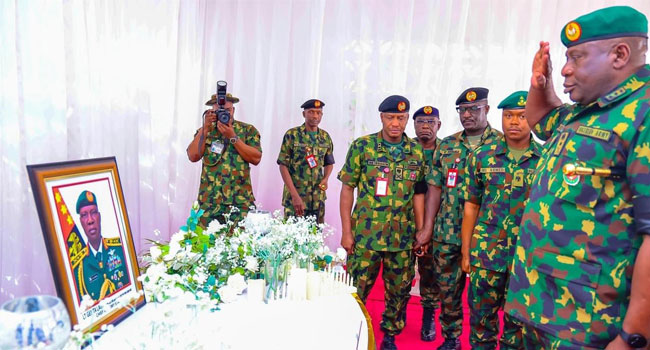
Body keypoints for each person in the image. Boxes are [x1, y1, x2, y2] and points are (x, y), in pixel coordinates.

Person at [504, 6, 650, 350]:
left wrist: (634, 339)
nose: (567, 68)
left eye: (577, 57)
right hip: (547, 312)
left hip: (591, 328)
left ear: (619, 54)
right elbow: (541, 119)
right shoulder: (591, 111)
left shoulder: (642, 114)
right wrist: (541, 81)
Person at [414, 87, 503, 350]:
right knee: (448, 292)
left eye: (474, 109)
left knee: (483, 297)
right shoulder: (448, 145)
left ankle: (482, 343)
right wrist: (427, 228)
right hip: (447, 233)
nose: (467, 114)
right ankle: (451, 339)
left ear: (486, 109)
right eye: (462, 110)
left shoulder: (500, 144)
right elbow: (434, 189)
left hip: (486, 236)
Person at [338, 95, 425, 350]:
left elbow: (419, 193)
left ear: (407, 118)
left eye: (400, 117)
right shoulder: (363, 146)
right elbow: (347, 190)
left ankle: (389, 335)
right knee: (356, 288)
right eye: (390, 117)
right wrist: (346, 232)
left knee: (398, 292)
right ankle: (350, 332)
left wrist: (421, 231)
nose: (395, 123)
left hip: (402, 237)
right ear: (381, 118)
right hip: (366, 235)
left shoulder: (417, 152)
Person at [460, 91, 541, 350]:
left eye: (522, 116)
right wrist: (466, 252)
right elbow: (471, 206)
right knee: (481, 321)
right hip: (487, 254)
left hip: (527, 257)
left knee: (518, 327)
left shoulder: (547, 159)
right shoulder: (482, 157)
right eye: (508, 116)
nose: (514, 122)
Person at [187, 92, 262, 226]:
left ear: (233, 110)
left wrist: (233, 137)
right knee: (205, 244)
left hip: (240, 202)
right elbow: (193, 156)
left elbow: (256, 158)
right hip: (210, 202)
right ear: (212, 111)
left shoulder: (247, 130)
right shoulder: (205, 130)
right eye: (219, 111)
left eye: (228, 110)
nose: (225, 114)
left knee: (242, 244)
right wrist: (204, 129)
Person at [411, 105, 442, 342]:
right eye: (421, 121)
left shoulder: (448, 151)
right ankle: (396, 315)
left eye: (430, 122)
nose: (425, 126)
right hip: (401, 222)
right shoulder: (405, 149)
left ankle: (428, 317)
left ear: (438, 125)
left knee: (429, 275)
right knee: (400, 275)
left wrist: (426, 229)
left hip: (436, 223)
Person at [277, 99, 335, 223]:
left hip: (317, 199)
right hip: (296, 198)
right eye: (311, 112)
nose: (315, 116)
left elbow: (329, 162)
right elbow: (283, 166)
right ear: (304, 114)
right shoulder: (292, 135)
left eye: (319, 113)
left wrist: (325, 178)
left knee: (315, 237)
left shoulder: (325, 137)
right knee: (292, 238)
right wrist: (294, 195)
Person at [73, 190, 130, 302]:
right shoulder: (78, 268)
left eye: (93, 213)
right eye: (84, 215)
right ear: (81, 222)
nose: (90, 220)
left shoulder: (120, 248)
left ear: (99, 217)